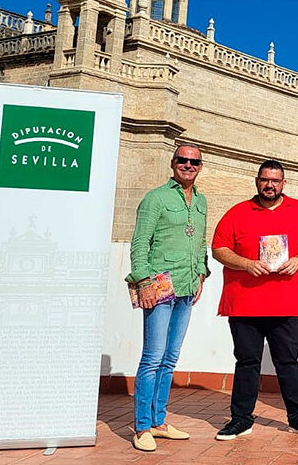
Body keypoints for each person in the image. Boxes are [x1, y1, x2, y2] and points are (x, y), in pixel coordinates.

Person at [211, 160, 298, 440]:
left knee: (288, 362)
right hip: (245, 303)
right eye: (265, 180)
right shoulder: (237, 213)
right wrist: (246, 264)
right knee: (247, 362)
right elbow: (219, 249)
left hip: (286, 302)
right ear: (257, 181)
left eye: (275, 180)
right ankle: (240, 419)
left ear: (284, 183)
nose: (270, 185)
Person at [126, 144, 209, 452]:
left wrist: (201, 273)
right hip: (160, 287)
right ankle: (142, 427)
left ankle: (159, 421)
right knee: (152, 358)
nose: (188, 165)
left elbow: (201, 242)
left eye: (194, 161)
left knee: (170, 359)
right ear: (173, 163)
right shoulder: (155, 199)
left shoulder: (201, 201)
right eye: (183, 160)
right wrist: (143, 281)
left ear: (200, 167)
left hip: (187, 288)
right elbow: (139, 243)